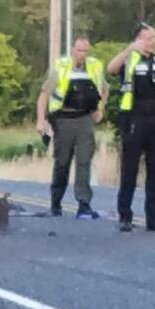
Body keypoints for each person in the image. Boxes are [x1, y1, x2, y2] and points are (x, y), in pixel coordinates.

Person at [107, 23, 155, 232]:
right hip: (134, 118)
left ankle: (154, 218)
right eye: (149, 38)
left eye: (154, 38)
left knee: (154, 170)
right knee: (130, 169)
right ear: (138, 39)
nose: (153, 42)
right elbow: (111, 69)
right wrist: (128, 50)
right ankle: (125, 215)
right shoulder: (130, 59)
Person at [36, 36, 108, 218]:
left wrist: (101, 108)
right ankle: (56, 203)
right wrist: (40, 120)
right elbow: (44, 95)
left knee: (84, 161)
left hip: (84, 118)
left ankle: (84, 204)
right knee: (62, 162)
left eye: (86, 51)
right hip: (63, 119)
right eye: (79, 50)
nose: (82, 55)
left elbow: (105, 88)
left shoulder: (94, 67)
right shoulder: (61, 68)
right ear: (73, 50)